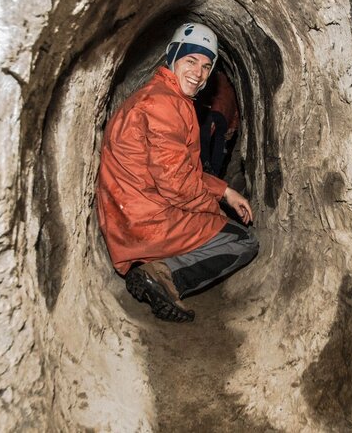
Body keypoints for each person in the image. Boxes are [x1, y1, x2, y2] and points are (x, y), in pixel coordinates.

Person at [95, 22, 259, 322]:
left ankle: (158, 263)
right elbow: (177, 184)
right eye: (191, 61)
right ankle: (163, 275)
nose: (199, 73)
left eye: (207, 66)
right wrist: (214, 211)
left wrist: (225, 191)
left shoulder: (160, 96)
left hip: (131, 212)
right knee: (243, 241)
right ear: (173, 58)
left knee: (216, 222)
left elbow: (180, 169)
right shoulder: (164, 105)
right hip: (144, 220)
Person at [198, 70, 240, 177]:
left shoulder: (216, 78)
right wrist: (233, 126)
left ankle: (206, 164)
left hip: (212, 111)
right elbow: (237, 109)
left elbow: (207, 94)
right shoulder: (234, 87)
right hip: (225, 117)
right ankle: (215, 171)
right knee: (220, 142)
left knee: (204, 139)